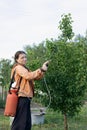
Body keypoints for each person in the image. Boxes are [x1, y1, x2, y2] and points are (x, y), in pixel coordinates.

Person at [11, 50, 50, 130]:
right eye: (22, 58)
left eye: (25, 57)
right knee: (21, 122)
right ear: (17, 60)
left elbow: (35, 77)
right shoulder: (18, 68)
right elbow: (28, 76)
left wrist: (43, 71)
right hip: (22, 96)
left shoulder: (24, 68)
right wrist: (40, 69)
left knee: (26, 122)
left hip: (26, 97)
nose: (25, 59)